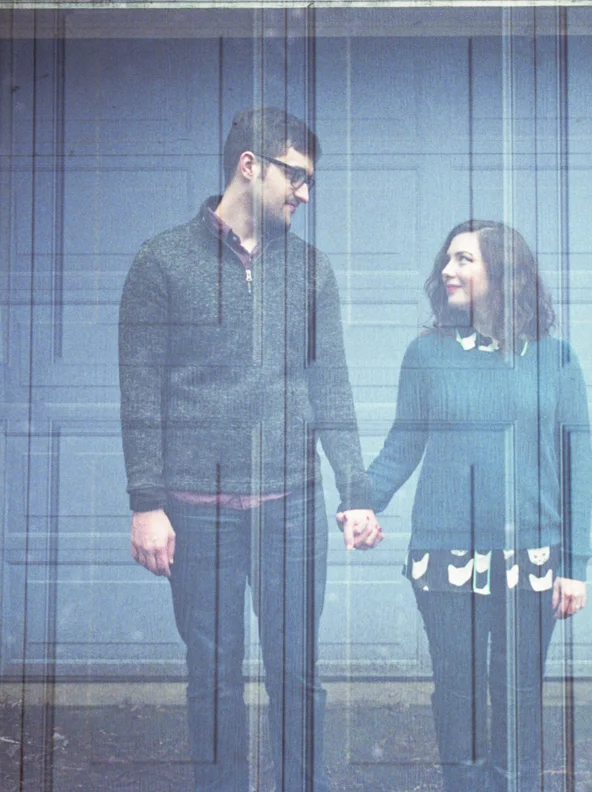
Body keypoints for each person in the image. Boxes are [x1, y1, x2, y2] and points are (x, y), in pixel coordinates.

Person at [119, 106, 382, 792]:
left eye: (310, 181)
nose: (305, 193)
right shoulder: (161, 262)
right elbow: (141, 392)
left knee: (297, 673)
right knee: (212, 675)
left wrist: (355, 491)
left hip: (290, 506)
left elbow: (331, 385)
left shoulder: (311, 270)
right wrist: (146, 503)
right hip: (196, 510)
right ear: (250, 165)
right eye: (296, 176)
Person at [343, 220, 592, 792]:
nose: (447, 270)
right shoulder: (426, 354)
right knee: (457, 698)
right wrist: (360, 501)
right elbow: (403, 444)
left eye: (464, 260)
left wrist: (575, 565)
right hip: (445, 557)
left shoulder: (554, 358)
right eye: (447, 260)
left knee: (519, 697)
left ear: (504, 273)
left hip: (531, 559)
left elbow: (576, 463)